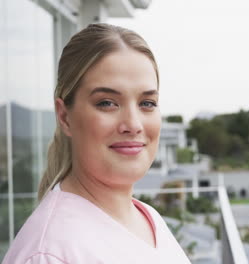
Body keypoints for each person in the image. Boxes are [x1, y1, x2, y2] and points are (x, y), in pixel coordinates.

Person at [2, 23, 191, 264]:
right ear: (64, 117)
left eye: (147, 103)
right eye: (107, 103)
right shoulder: (49, 253)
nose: (133, 124)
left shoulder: (148, 219)